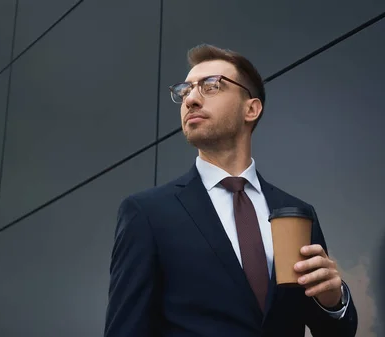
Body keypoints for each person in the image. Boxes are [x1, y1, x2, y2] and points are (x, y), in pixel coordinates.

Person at [103, 44, 358, 337]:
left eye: (211, 86)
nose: (191, 100)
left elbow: (334, 333)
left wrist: (332, 300)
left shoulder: (296, 213)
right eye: (185, 91)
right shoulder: (147, 213)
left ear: (251, 108)